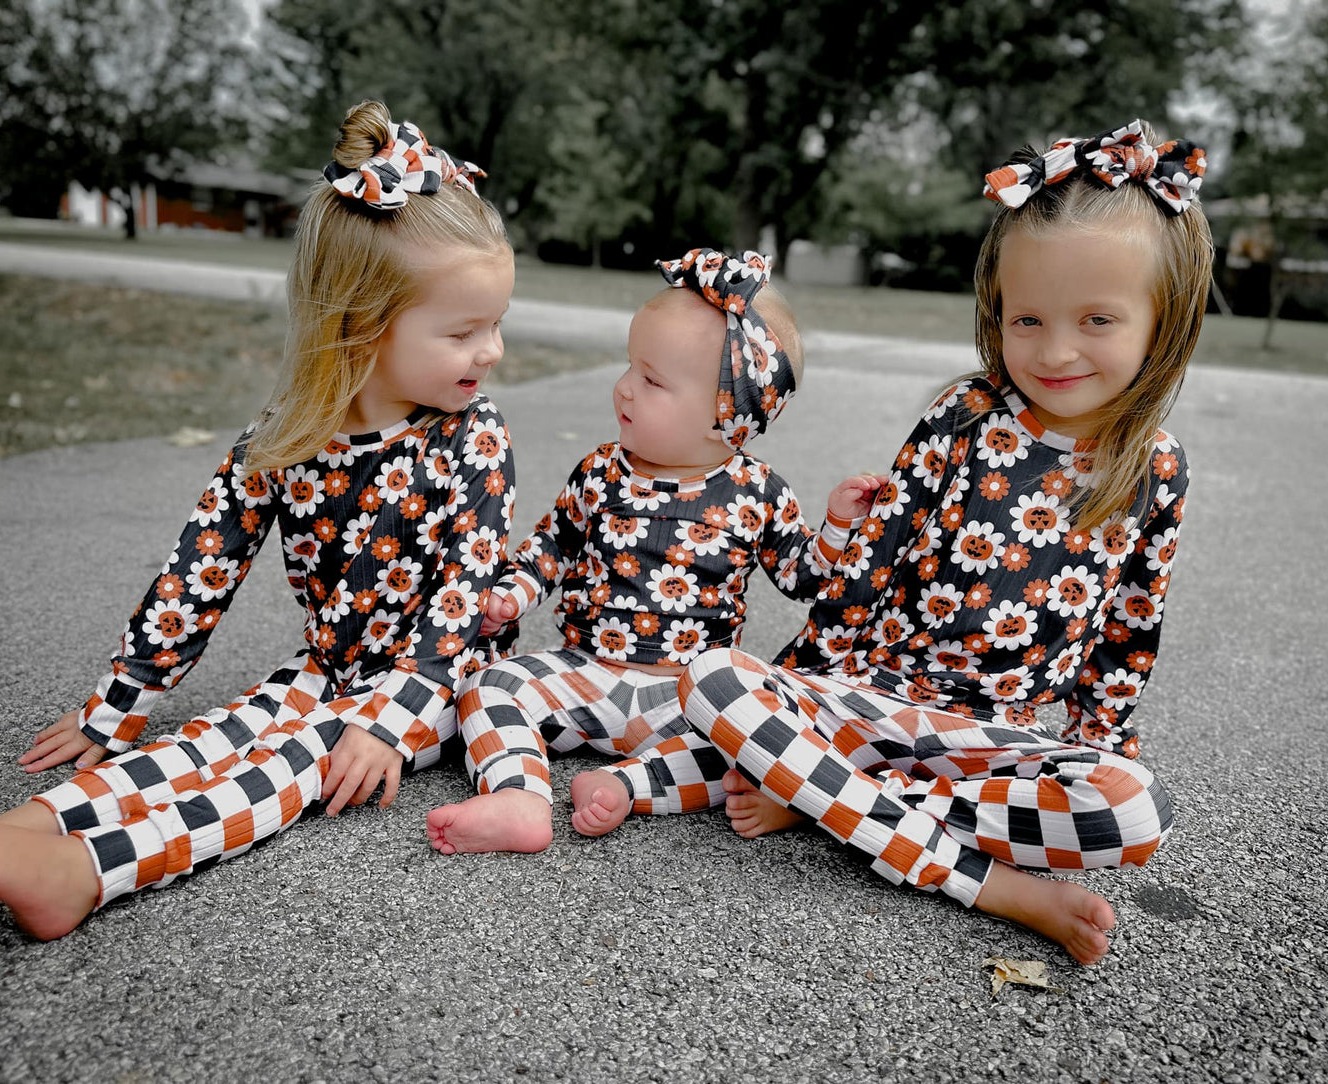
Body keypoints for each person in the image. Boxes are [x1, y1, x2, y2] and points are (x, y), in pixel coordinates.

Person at [0, 100, 518, 940]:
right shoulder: (286, 438)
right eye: (466, 331)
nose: (492, 351)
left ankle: (81, 872)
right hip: (330, 661)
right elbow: (199, 573)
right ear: (360, 327)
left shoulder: (473, 438)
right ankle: (26, 832)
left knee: (290, 761)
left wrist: (389, 719)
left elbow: (462, 601)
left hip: (440, 680)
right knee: (224, 731)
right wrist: (118, 704)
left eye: (496, 326)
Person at [678, 119, 1211, 965]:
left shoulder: (1155, 468)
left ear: (1164, 321)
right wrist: (809, 676)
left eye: (1097, 320)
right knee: (710, 679)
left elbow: (1128, 630)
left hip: (985, 744)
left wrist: (1094, 746)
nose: (1055, 349)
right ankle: (987, 884)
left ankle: (825, 799)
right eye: (1025, 318)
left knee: (1136, 807)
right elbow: (874, 562)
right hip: (870, 696)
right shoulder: (964, 415)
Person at [426, 248, 880, 854]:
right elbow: (550, 547)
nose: (625, 390)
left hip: (685, 696)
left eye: (653, 380)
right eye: (629, 368)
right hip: (584, 671)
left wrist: (837, 528)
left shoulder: (758, 493)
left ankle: (627, 785)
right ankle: (519, 795)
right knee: (489, 686)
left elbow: (804, 579)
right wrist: (512, 596)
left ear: (730, 420)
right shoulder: (601, 472)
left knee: (747, 747)